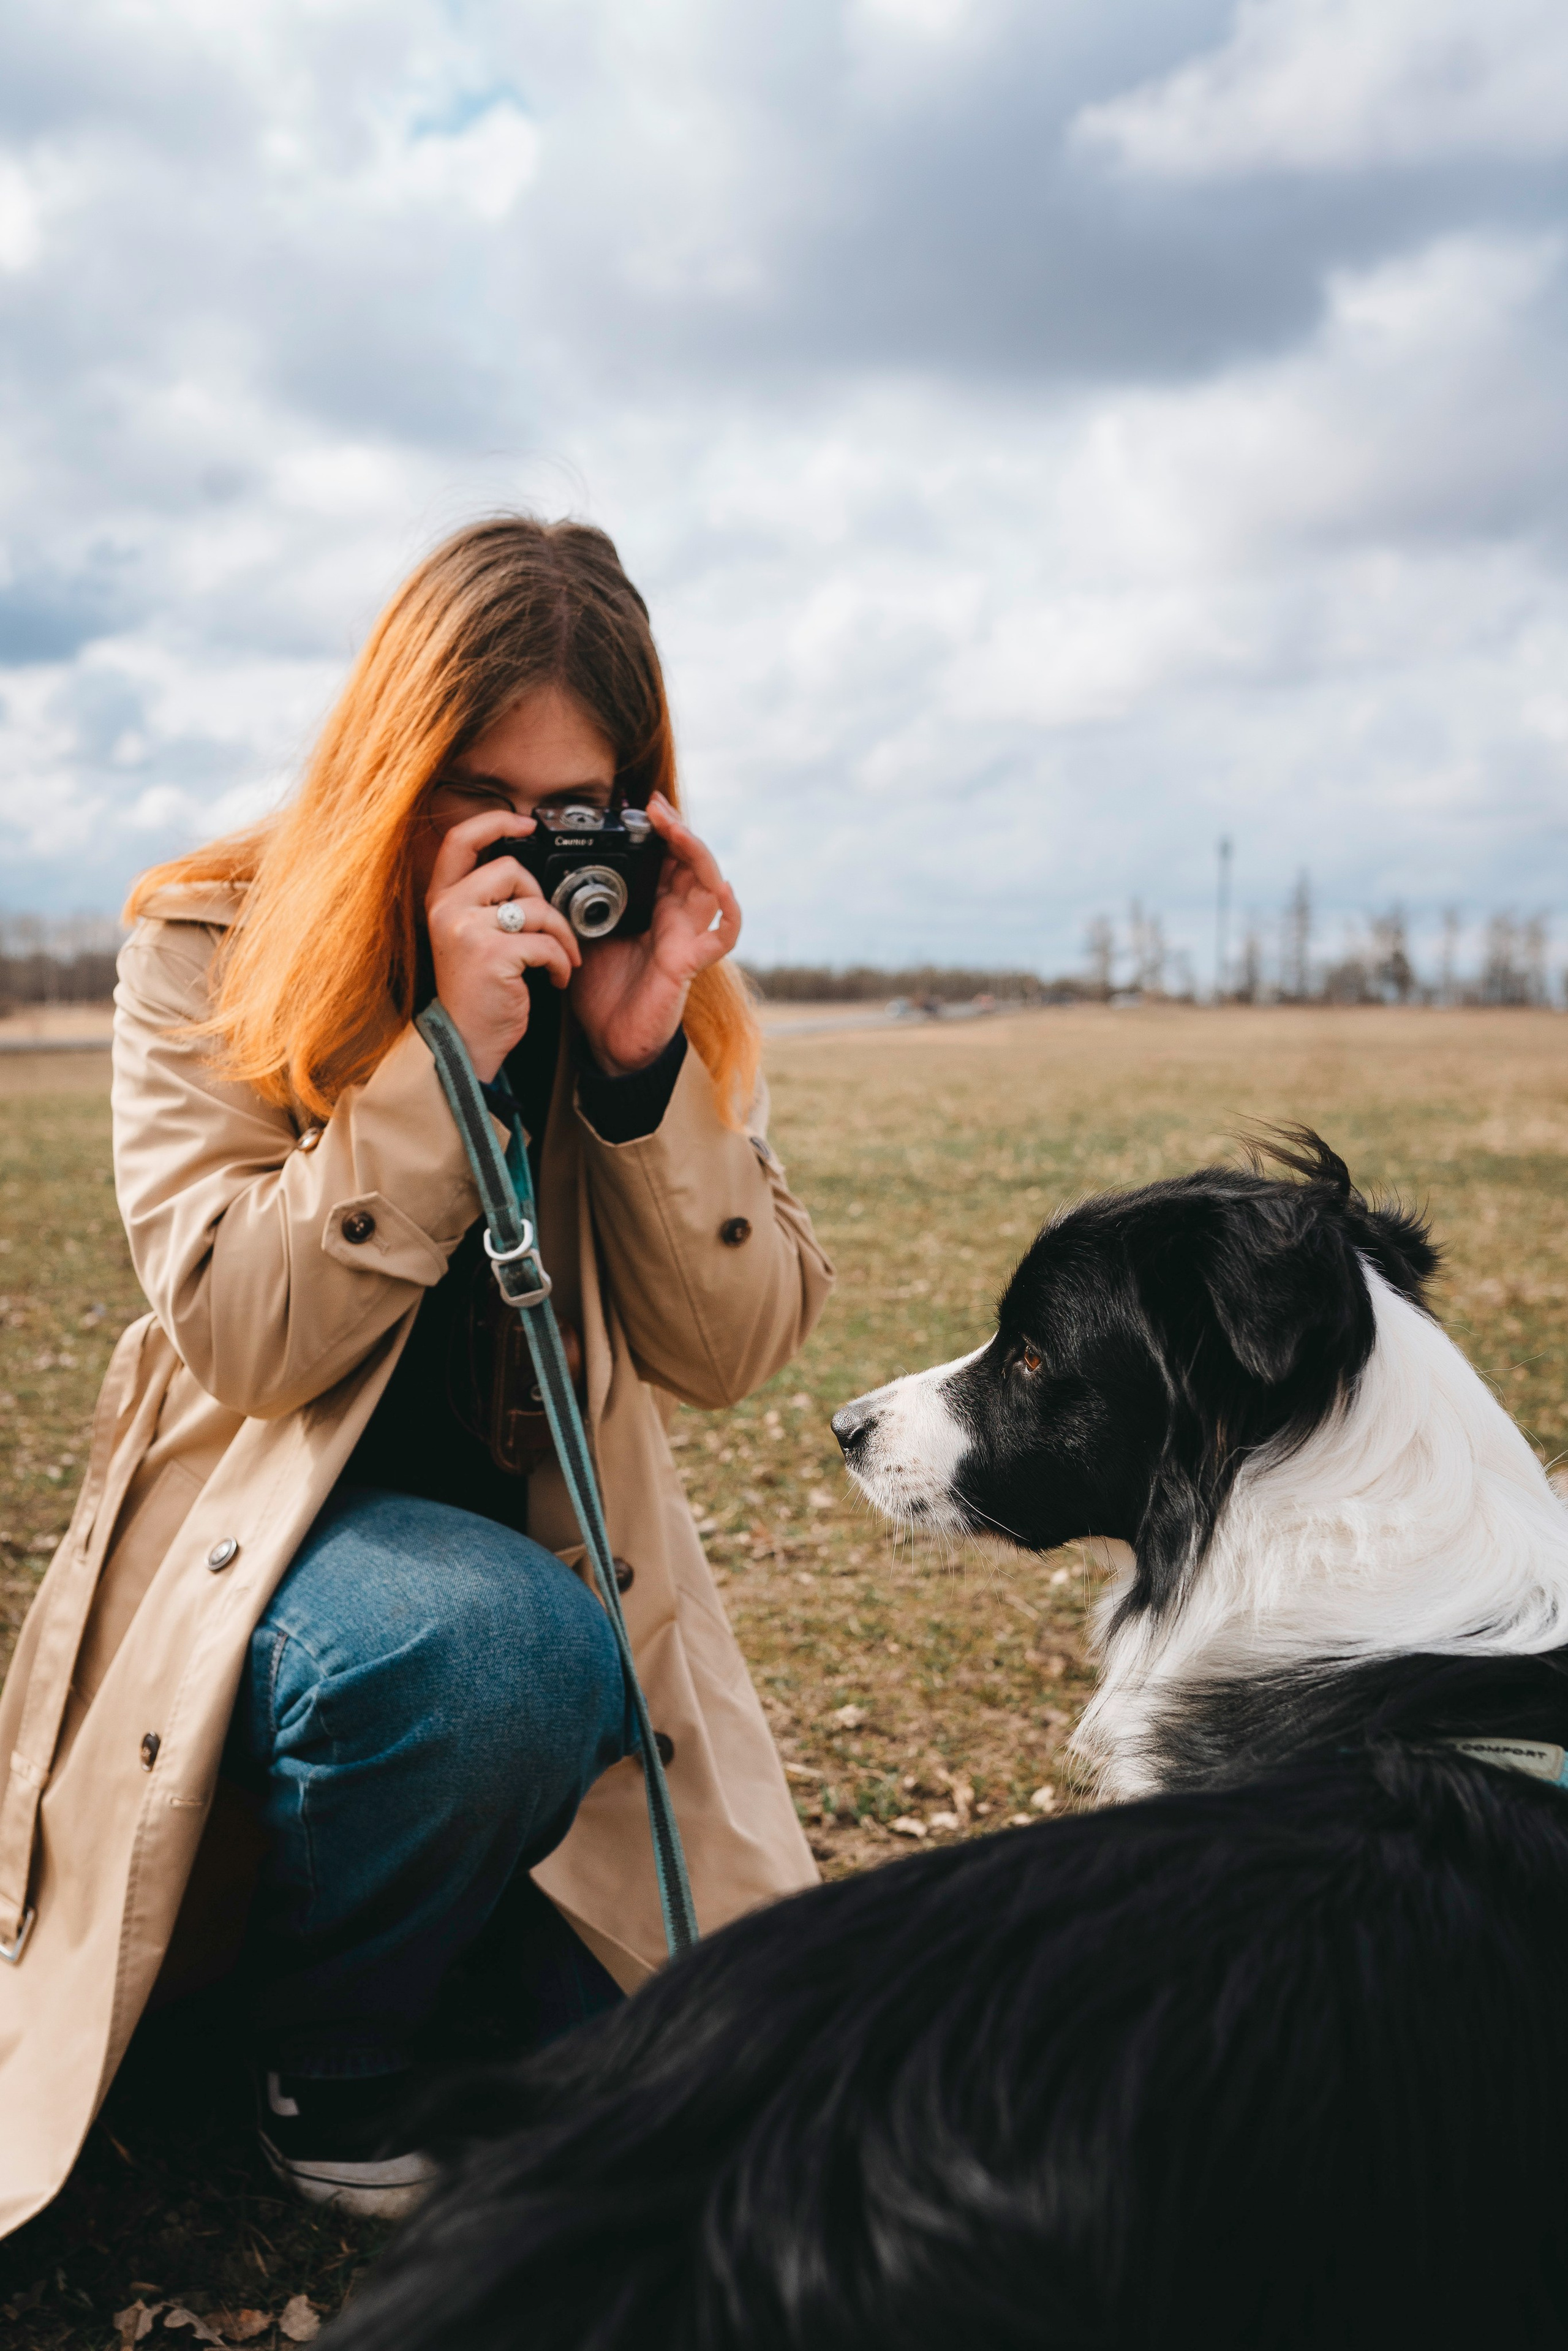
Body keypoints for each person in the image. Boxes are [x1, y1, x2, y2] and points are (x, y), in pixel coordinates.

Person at [0, 518, 834, 2232]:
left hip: (548, 1621)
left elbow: (733, 1349)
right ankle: (336, 2061)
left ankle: (434, 1929)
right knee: (484, 1648)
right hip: (281, 1595)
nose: (528, 852)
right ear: (390, 763)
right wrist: (439, 1058)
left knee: (702, 2096)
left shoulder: (628, 974)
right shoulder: (210, 942)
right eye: (478, 792)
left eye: (575, 807)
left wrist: (638, 1064)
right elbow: (237, 1329)